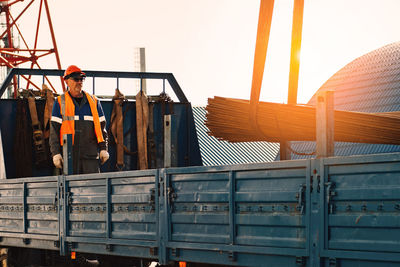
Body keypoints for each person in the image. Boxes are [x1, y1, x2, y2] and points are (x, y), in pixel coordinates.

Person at [49, 65, 109, 174]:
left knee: (93, 188)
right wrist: (56, 153)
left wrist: (104, 149)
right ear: (67, 81)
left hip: (90, 157)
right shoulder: (59, 102)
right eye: (76, 79)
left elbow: (102, 128)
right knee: (70, 189)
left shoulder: (94, 102)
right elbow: (54, 130)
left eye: (81, 79)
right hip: (69, 157)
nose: (79, 82)